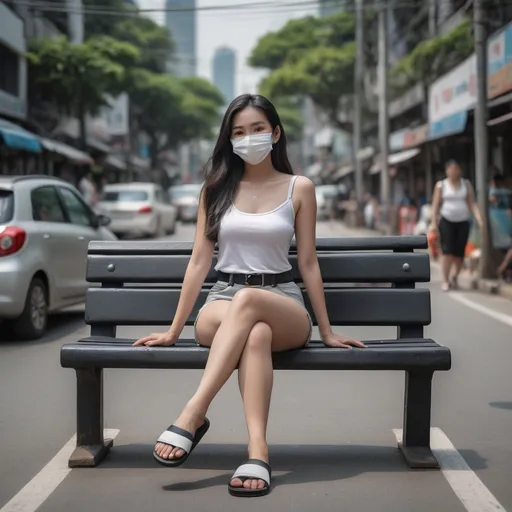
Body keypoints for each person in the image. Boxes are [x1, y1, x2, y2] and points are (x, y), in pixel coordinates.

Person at [133, 94, 365, 498]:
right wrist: (173, 330)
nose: (249, 138)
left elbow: (308, 263)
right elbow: (199, 262)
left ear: (275, 133)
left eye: (258, 129)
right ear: (229, 140)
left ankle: (194, 412)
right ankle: (257, 449)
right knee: (253, 329)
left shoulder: (300, 188)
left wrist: (327, 331)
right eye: (238, 132)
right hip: (221, 300)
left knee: (251, 303)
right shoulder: (216, 189)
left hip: (282, 300)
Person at [430, 160, 484, 291]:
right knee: (447, 251)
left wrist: (479, 219)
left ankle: (455, 276)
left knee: (459, 253)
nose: (454, 172)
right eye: (451, 169)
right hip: (446, 220)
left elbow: (472, 203)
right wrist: (433, 223)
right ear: (447, 170)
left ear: (460, 170)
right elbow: (435, 205)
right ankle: (445, 280)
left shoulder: (466, 184)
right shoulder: (441, 185)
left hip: (463, 221)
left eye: (456, 169)